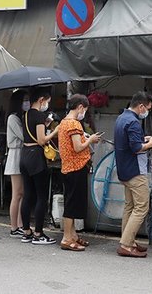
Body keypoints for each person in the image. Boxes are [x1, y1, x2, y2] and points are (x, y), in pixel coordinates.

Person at [113, 91, 152, 258]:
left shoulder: (121, 118)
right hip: (135, 171)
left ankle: (128, 240)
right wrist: (151, 143)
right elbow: (136, 148)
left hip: (124, 169)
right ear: (140, 106)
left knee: (130, 206)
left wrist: (142, 139)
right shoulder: (133, 122)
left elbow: (129, 142)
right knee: (141, 207)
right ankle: (126, 244)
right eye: (147, 108)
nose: (147, 111)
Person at [57, 94, 101, 251]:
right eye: (85, 110)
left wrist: (85, 138)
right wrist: (90, 140)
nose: (84, 113)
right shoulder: (74, 124)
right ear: (80, 107)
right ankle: (67, 238)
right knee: (72, 205)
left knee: (71, 203)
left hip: (68, 167)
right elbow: (77, 147)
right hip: (76, 167)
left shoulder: (63, 122)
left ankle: (73, 235)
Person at [19, 87, 59, 245]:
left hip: (24, 155)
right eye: (47, 102)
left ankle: (26, 231)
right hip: (36, 157)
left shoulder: (26, 114)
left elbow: (33, 133)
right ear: (42, 100)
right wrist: (55, 130)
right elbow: (42, 140)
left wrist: (46, 123)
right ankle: (39, 233)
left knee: (28, 195)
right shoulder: (40, 115)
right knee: (41, 197)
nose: (47, 105)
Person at [4, 90, 28, 237]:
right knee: (17, 193)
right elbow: (23, 135)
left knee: (22, 193)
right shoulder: (13, 118)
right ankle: (14, 226)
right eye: (25, 100)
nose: (27, 102)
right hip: (15, 154)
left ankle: (19, 224)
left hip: (21, 154)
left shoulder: (20, 116)